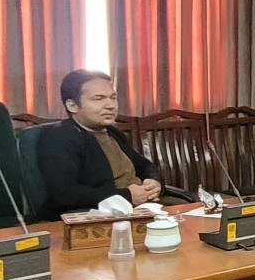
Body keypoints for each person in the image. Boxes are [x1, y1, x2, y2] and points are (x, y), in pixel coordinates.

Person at [38, 70, 163, 219]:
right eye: (99, 99)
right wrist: (128, 196)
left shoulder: (112, 132)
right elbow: (65, 194)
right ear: (72, 105)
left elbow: (144, 165)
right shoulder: (60, 137)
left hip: (145, 206)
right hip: (103, 215)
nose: (110, 105)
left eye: (113, 98)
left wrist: (153, 182)